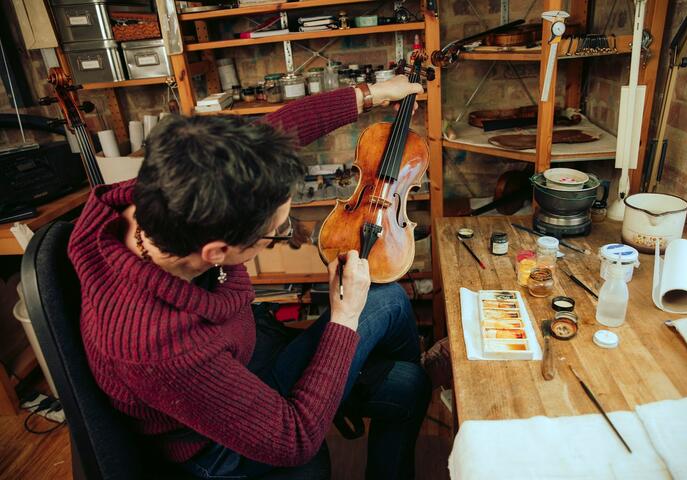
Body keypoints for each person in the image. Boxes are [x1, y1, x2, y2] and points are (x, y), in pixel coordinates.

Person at [68, 76, 431, 479]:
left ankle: (358, 382)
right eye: (276, 231)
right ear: (217, 253)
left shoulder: (163, 196)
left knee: (410, 381)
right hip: (217, 441)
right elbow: (293, 440)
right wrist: (344, 319)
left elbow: (262, 140)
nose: (283, 232)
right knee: (391, 310)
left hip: (243, 350)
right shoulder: (158, 345)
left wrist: (371, 93)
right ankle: (352, 384)